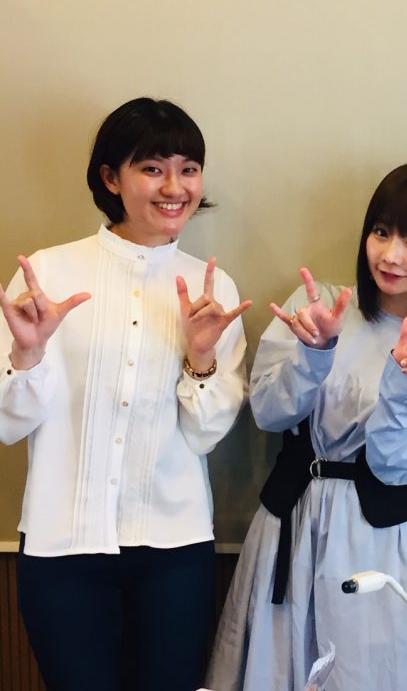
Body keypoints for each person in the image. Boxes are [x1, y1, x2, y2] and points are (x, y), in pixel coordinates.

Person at [0, 98, 251, 691]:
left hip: (174, 548)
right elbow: (8, 425)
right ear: (111, 178)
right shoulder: (48, 275)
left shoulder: (213, 291)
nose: (175, 187)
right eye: (153, 168)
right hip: (62, 545)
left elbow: (206, 435)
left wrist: (201, 358)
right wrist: (28, 355)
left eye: (189, 169)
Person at [207, 162, 407, 691]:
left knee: (370, 673)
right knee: (276, 669)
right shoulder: (316, 308)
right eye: (381, 232)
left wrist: (402, 390)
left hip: (381, 541)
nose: (390, 255)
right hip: (289, 522)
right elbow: (269, 413)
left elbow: (394, 469)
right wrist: (315, 353)